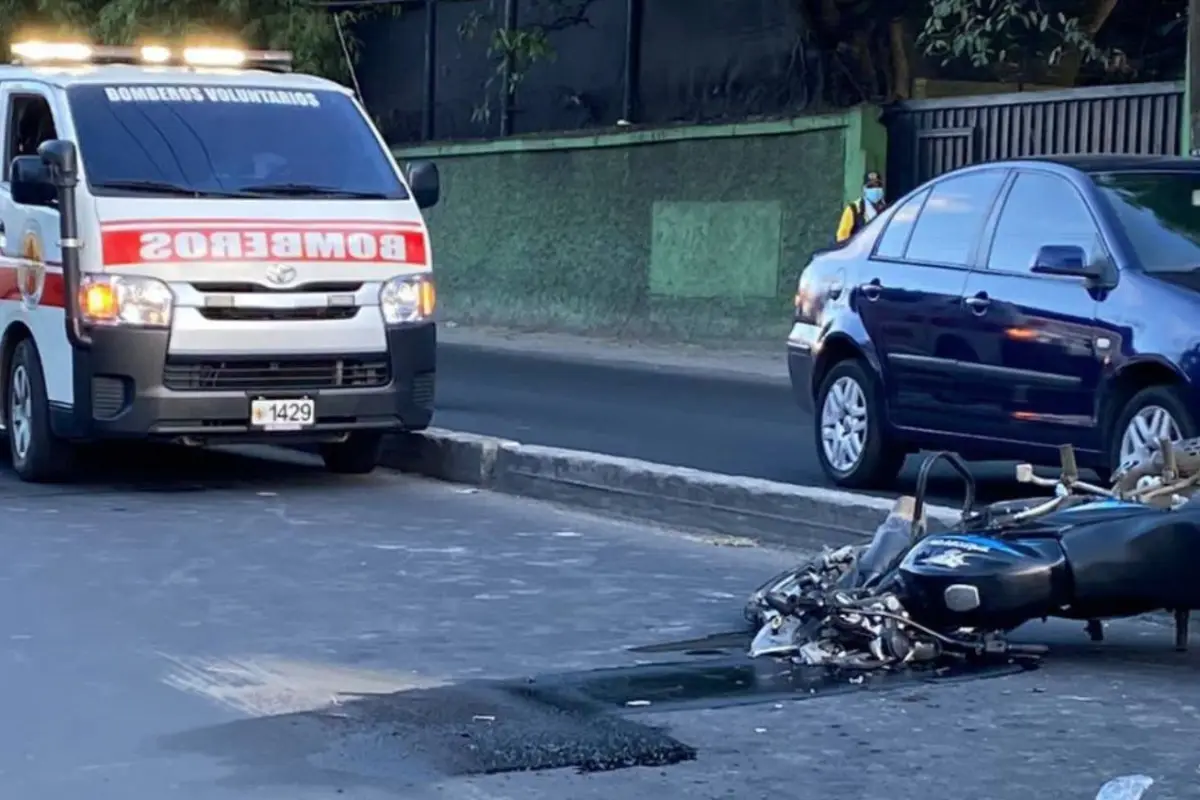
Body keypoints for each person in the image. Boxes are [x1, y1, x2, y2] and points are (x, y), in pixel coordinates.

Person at [835, 171, 887, 243]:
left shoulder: (888, 209)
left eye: (878, 186)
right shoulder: (853, 209)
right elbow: (842, 237)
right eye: (871, 186)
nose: (875, 189)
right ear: (864, 189)